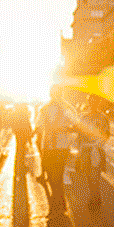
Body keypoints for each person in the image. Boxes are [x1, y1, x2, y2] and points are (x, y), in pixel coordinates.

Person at [35, 85, 74, 215]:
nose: (56, 95)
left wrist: (63, 129)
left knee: (56, 175)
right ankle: (60, 202)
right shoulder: (46, 108)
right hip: (50, 145)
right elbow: (39, 125)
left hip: (60, 146)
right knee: (53, 177)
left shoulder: (67, 108)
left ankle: (58, 204)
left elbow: (75, 125)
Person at [78, 95, 109, 210]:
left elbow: (107, 134)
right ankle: (95, 195)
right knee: (88, 175)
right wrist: (79, 151)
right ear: (88, 102)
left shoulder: (103, 117)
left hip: (97, 149)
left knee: (95, 175)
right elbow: (80, 134)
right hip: (85, 150)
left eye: (96, 101)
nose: (93, 103)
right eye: (91, 101)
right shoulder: (83, 117)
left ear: (99, 102)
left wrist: (99, 144)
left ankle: (94, 197)